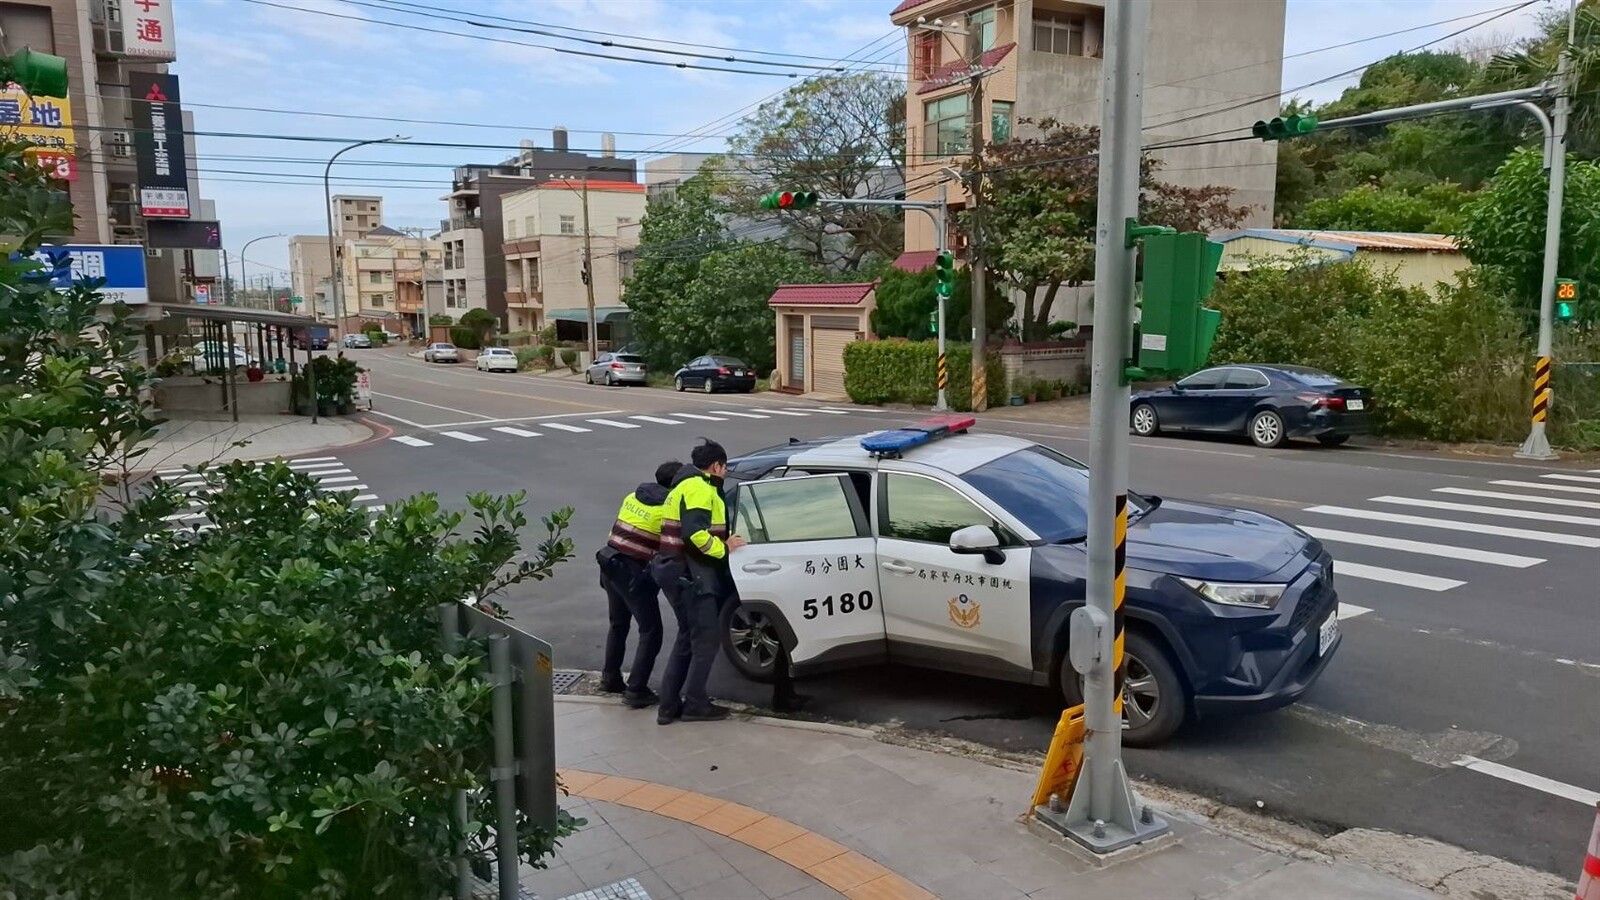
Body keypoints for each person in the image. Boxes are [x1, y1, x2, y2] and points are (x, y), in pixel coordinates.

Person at [653, 440, 745, 724]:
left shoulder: (683, 486)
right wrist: (725, 549)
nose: (726, 473)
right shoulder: (699, 489)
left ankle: (668, 706)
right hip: (690, 575)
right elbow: (695, 535)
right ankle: (694, 703)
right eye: (725, 467)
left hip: (675, 571)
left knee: (687, 637)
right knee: (706, 640)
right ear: (717, 465)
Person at [596, 460, 680, 709]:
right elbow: (672, 548)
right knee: (652, 632)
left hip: (609, 563)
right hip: (632, 573)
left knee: (618, 624)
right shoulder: (666, 510)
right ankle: (636, 690)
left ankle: (610, 678)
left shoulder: (633, 496)